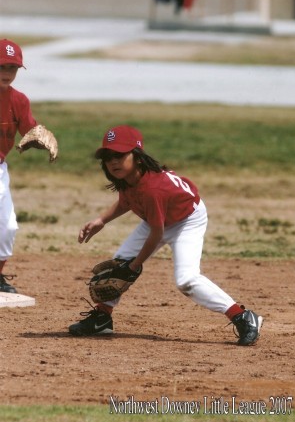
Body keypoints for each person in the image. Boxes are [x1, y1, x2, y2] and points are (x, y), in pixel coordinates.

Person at [69, 125, 263, 345]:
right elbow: (127, 200)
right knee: (118, 266)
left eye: (120, 155)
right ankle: (102, 318)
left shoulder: (153, 189)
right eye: (107, 156)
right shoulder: (129, 178)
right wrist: (101, 220)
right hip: (159, 219)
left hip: (187, 220)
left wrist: (134, 267)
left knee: (186, 280)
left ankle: (243, 316)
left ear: (138, 157)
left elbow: (157, 232)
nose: (113, 161)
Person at [0, 39, 38, 293]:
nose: (7, 73)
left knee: (8, 226)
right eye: (2, 67)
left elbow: (28, 130)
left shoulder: (19, 100)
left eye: (13, 68)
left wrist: (40, 138)